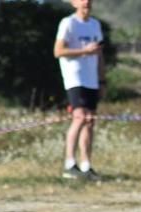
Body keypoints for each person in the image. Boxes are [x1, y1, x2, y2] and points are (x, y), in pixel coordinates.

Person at [54, 0, 105, 180]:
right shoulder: (68, 23)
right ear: (74, 3)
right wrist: (83, 51)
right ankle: (69, 163)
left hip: (92, 79)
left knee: (89, 122)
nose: (87, 2)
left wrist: (102, 80)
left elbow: (99, 55)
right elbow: (58, 51)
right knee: (80, 117)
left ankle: (86, 165)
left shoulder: (95, 24)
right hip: (75, 78)